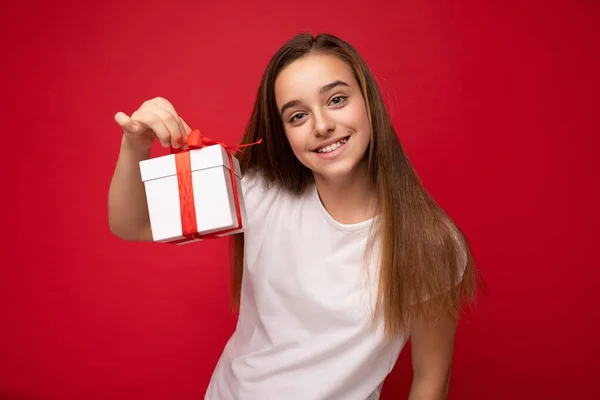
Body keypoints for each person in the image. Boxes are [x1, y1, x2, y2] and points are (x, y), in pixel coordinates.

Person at [108, 32, 481, 400]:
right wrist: (136, 143)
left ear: (368, 103)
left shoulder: (431, 243)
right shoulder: (258, 191)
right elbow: (132, 224)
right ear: (283, 132)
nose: (321, 126)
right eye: (298, 115)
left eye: (336, 99)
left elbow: (432, 377)